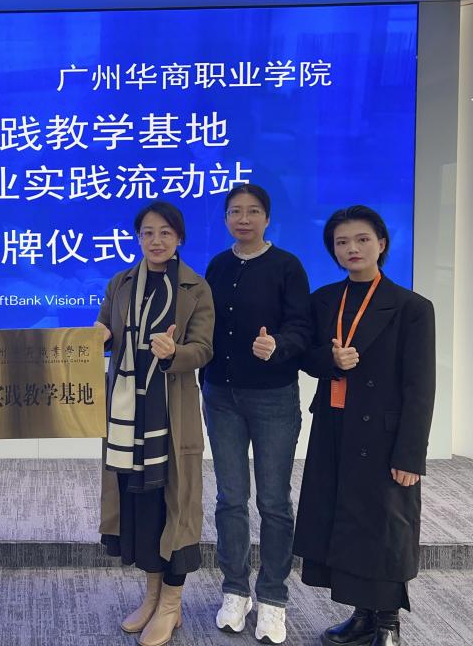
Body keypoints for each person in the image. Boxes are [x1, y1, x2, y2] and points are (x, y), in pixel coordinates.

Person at [294, 206, 436, 646]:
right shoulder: (324, 300)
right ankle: (362, 615)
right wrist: (330, 360)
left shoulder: (412, 307)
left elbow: (420, 387)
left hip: (384, 435)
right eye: (341, 242)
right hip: (335, 426)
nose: (351, 249)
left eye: (361, 239)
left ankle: (388, 622)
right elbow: (307, 356)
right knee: (346, 520)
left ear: (382, 244)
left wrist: (410, 454)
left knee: (385, 525)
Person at [96, 200, 214, 646]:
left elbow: (203, 348)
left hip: (170, 413)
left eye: (165, 232)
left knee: (176, 505)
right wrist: (101, 335)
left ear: (179, 238)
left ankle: (171, 604)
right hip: (128, 416)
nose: (156, 240)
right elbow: (106, 327)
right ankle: (151, 597)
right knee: (141, 505)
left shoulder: (195, 287)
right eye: (148, 232)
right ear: (138, 238)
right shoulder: (121, 282)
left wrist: (174, 353)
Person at [201, 184, 311, 644]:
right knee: (230, 498)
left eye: (252, 211)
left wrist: (277, 345)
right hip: (220, 396)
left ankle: (272, 597)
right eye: (235, 212)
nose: (243, 219)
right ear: (226, 218)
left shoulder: (287, 266)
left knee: (273, 501)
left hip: (272, 398)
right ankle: (235, 590)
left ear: (267, 217)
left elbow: (302, 327)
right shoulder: (217, 266)